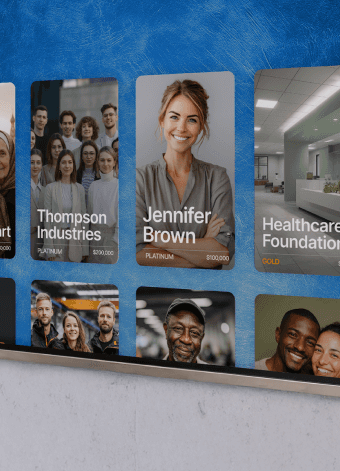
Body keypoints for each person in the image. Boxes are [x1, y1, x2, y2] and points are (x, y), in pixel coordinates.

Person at [135, 79, 234, 269]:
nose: (181, 128)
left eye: (192, 119)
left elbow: (221, 254)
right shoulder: (140, 179)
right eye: (174, 117)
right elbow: (137, 254)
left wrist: (160, 240)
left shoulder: (217, 178)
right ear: (162, 120)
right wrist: (201, 248)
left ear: (201, 126)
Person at [40, 150, 87, 262]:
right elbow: (47, 220)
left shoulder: (80, 189)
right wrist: (49, 248)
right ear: (59, 166)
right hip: (56, 241)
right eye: (64, 162)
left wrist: (85, 249)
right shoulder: (50, 188)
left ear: (73, 166)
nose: (67, 166)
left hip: (75, 242)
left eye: (70, 162)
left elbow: (84, 220)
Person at [255, 308, 320, 373]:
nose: (300, 347)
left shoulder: (311, 378)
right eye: (293, 334)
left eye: (310, 342)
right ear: (278, 335)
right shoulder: (252, 373)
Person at [86, 146, 119, 264]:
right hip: (94, 238)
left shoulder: (118, 186)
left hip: (111, 239)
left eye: (109, 160)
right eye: (102, 160)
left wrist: (115, 242)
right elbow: (89, 214)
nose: (105, 164)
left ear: (114, 162)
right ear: (98, 162)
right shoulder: (93, 186)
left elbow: (121, 217)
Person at [162, 298, 208, 364]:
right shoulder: (151, 372)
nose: (186, 340)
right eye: (178, 328)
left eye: (194, 332)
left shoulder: (212, 374)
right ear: (166, 330)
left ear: (201, 338)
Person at [29, 148, 45, 259]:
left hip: (43, 242)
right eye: (32, 162)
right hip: (28, 241)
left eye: (38, 163)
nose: (35, 166)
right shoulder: (22, 189)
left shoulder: (45, 190)